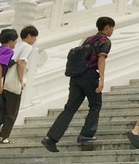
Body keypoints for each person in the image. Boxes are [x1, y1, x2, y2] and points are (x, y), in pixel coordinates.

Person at [42, 16, 116, 152]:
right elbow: (101, 59)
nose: (112, 31)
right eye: (112, 28)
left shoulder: (88, 39)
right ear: (107, 27)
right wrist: (102, 79)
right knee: (95, 105)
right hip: (90, 76)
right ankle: (86, 134)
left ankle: (51, 138)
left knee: (70, 108)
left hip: (76, 76)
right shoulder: (105, 41)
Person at [0, 25, 38, 144]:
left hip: (1, 81)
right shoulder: (27, 47)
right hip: (11, 83)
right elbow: (21, 63)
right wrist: (21, 80)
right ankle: (4, 136)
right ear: (29, 36)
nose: (35, 40)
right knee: (12, 112)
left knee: (1, 111)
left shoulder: (10, 48)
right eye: (34, 37)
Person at [0, 29, 18, 141]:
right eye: (15, 41)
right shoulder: (8, 51)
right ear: (10, 41)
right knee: (2, 111)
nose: (15, 43)